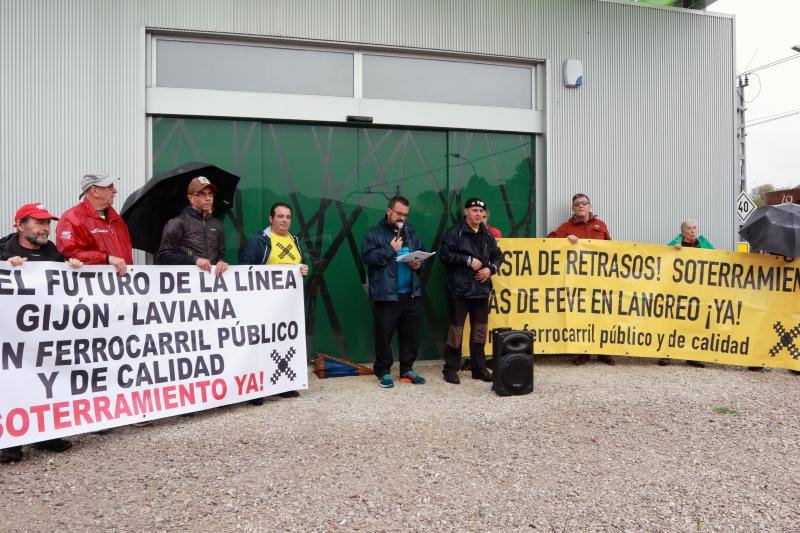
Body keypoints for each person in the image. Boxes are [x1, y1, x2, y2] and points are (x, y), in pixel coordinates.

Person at [0, 202, 82, 464]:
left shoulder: (53, 255)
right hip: (11, 340)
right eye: (38, 222)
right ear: (20, 225)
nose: (46, 228)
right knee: (13, 385)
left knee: (47, 383)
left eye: (47, 223)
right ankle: (10, 442)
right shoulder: (3, 251)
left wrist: (74, 269)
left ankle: (45, 433)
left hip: (44, 338)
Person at [240, 202, 309, 402]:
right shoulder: (258, 241)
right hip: (262, 305)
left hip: (288, 305)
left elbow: (299, 266)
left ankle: (283, 384)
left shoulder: (295, 240)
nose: (284, 220)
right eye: (280, 216)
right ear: (271, 219)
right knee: (259, 345)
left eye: (288, 217)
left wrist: (303, 270)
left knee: (284, 344)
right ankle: (257, 390)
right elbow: (244, 270)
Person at [361, 196, 427, 389]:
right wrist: (390, 249)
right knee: (384, 335)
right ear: (389, 211)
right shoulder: (373, 234)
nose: (402, 218)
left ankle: (407, 368)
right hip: (387, 295)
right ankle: (383, 372)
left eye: (405, 215)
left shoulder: (410, 231)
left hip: (411, 293)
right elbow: (369, 258)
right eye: (399, 214)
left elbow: (421, 252)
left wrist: (418, 263)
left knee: (410, 334)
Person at [440, 197, 502, 384]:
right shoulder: (455, 232)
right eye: (474, 210)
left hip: (481, 290)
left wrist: (490, 270)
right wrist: (467, 260)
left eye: (481, 212)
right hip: (460, 290)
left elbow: (497, 255)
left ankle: (479, 368)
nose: (479, 214)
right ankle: (451, 369)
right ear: (466, 211)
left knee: (480, 331)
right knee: (456, 332)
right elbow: (445, 255)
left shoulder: (487, 234)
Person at [548, 193, 614, 365]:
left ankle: (603, 351)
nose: (581, 206)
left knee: (600, 314)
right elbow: (548, 242)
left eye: (584, 203)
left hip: (599, 278)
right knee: (580, 315)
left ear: (590, 206)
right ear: (573, 208)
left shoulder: (601, 225)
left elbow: (612, 248)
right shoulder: (566, 227)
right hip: (578, 281)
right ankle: (582, 352)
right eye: (577, 204)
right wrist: (565, 239)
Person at [56, 174, 132, 276]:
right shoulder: (71, 218)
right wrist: (106, 258)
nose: (115, 190)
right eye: (110, 186)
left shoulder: (117, 219)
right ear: (95, 191)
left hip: (123, 285)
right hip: (91, 287)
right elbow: (69, 253)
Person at [660, 219, 712, 367]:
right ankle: (666, 354)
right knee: (672, 322)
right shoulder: (676, 244)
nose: (693, 231)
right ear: (683, 231)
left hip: (697, 292)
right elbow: (664, 256)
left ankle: (692, 355)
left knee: (694, 323)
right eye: (690, 228)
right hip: (677, 291)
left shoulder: (704, 244)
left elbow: (717, 258)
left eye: (695, 228)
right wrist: (673, 250)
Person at [158, 176, 229, 277]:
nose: (208, 198)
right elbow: (164, 257)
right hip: (186, 285)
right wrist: (194, 260)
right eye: (201, 194)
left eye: (210, 194)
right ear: (190, 198)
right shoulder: (178, 223)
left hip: (213, 285)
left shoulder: (217, 225)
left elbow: (220, 256)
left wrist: (222, 262)